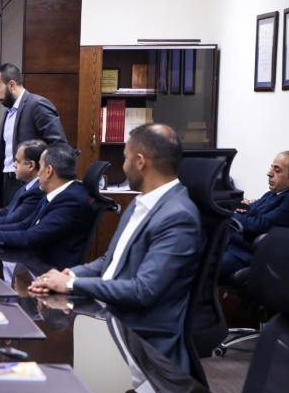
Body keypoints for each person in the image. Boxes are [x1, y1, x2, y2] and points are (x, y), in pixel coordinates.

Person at [29, 124, 203, 371]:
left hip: (142, 343)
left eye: (126, 158)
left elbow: (143, 291)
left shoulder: (178, 217)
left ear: (140, 162)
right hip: (108, 316)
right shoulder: (140, 203)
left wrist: (70, 285)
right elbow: (110, 261)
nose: (124, 166)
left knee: (48, 365)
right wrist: (69, 275)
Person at [0, 144, 92, 270]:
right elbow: (24, 225)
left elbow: (31, 238)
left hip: (50, 272)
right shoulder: (56, 194)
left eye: (40, 167)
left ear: (48, 171)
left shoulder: (71, 201)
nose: (38, 174)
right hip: (32, 263)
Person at [0, 63, 67, 208]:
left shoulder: (37, 105)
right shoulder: (8, 112)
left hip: (31, 185)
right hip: (8, 183)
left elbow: (59, 146)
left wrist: (43, 178)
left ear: (11, 85)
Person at [218, 151, 289, 281]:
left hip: (244, 253)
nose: (269, 173)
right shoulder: (273, 193)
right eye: (271, 167)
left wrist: (230, 214)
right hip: (228, 244)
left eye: (277, 170)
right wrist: (242, 208)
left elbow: (258, 225)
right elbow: (251, 212)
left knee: (198, 268)